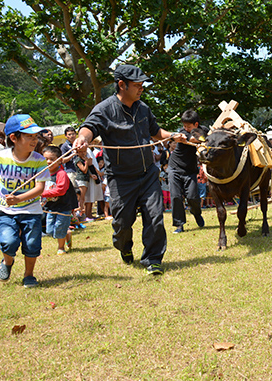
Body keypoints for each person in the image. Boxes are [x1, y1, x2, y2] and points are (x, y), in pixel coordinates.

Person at [73, 64, 187, 275]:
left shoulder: (143, 108)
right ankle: (124, 247)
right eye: (137, 85)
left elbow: (155, 131)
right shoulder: (104, 109)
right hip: (120, 178)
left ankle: (153, 260)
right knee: (122, 221)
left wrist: (171, 135)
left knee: (155, 218)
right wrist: (82, 139)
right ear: (122, 85)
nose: (141, 88)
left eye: (142, 84)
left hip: (148, 174)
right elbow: (88, 128)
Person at [0, 114, 50, 288]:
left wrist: (19, 198)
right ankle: (7, 262)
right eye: (29, 136)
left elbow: (39, 189)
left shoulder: (39, 160)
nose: (34, 140)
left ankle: (29, 275)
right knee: (8, 242)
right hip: (6, 209)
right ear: (14, 138)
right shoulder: (1, 157)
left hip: (31, 210)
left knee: (32, 244)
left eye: (35, 136)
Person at [169, 109, 207, 233]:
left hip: (190, 170)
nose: (185, 128)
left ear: (196, 125)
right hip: (174, 168)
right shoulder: (182, 133)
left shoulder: (204, 130)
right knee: (176, 196)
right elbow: (191, 138)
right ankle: (179, 224)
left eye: (188, 126)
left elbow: (203, 136)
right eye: (184, 126)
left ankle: (196, 213)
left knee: (193, 197)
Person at [41, 145, 78, 255]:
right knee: (50, 230)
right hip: (50, 207)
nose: (48, 162)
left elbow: (60, 190)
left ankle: (61, 248)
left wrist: (42, 193)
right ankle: (67, 233)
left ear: (60, 161)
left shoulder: (61, 174)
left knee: (59, 229)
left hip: (63, 206)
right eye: (46, 159)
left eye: (52, 159)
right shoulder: (43, 173)